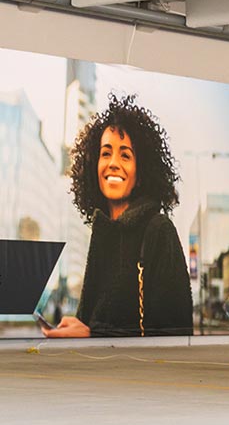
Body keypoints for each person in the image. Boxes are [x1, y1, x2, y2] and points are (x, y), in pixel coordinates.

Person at [44, 94, 193, 338]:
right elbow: (97, 321)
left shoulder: (158, 230)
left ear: (141, 171)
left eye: (125, 155)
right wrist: (79, 326)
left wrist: (92, 335)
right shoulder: (102, 233)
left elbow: (176, 334)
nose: (113, 163)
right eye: (105, 153)